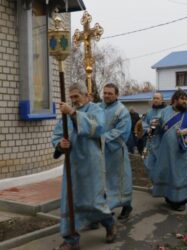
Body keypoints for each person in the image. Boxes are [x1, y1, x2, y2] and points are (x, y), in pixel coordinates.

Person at [52, 83, 116, 250]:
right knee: (70, 200)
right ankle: (71, 239)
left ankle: (109, 223)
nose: (73, 100)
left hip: (91, 163)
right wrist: (60, 144)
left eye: (76, 97)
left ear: (86, 95)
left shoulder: (96, 109)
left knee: (93, 200)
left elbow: (98, 127)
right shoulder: (66, 114)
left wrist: (73, 113)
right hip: (72, 164)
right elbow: (58, 133)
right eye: (71, 97)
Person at [151, 89, 187, 211]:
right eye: (182, 99)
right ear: (175, 100)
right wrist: (154, 125)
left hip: (181, 150)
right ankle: (169, 197)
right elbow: (157, 130)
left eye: (186, 99)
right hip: (166, 151)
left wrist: (185, 131)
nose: (185, 102)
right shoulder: (164, 112)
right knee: (168, 172)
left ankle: (182, 201)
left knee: (182, 174)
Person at [99, 83, 133, 220]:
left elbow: (122, 132)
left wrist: (101, 138)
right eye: (105, 93)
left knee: (120, 180)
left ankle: (127, 206)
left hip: (116, 152)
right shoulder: (98, 107)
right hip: (100, 152)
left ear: (116, 95)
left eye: (110, 93)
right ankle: (106, 208)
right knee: (103, 181)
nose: (106, 95)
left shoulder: (122, 111)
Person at [141, 92, 166, 180]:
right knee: (146, 160)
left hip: (161, 141)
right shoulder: (149, 111)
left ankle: (160, 185)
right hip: (149, 140)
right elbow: (144, 122)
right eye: (154, 98)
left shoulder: (165, 111)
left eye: (157, 98)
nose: (155, 100)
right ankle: (153, 182)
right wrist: (147, 128)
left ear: (162, 100)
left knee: (160, 163)